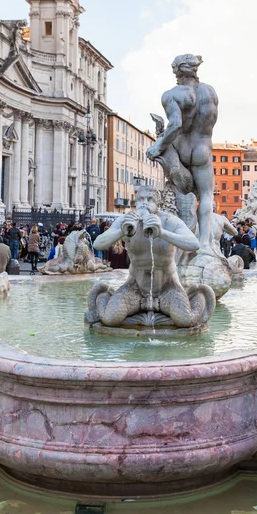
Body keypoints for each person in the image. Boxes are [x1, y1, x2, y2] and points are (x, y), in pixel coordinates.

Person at [93, 185, 203, 327]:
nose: (144, 202)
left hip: (167, 286)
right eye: (141, 199)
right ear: (136, 202)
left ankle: (196, 296)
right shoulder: (126, 221)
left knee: (185, 320)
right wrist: (122, 232)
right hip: (135, 286)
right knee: (110, 318)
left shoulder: (169, 221)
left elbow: (194, 244)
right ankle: (105, 296)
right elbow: (98, 244)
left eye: (150, 199)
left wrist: (162, 232)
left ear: (159, 204)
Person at [146, 54, 218, 255]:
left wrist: (158, 146)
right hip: (203, 148)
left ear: (176, 71)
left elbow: (176, 125)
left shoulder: (171, 94)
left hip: (182, 148)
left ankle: (178, 244)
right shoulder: (210, 93)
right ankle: (204, 244)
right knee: (206, 196)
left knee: (178, 195)